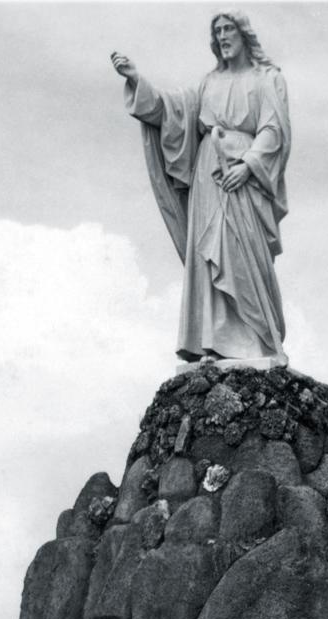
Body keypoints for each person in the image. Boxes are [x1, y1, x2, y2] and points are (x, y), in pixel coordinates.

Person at [111, 13, 290, 365]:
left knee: (241, 252)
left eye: (228, 29)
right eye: (217, 31)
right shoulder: (208, 84)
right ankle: (216, 341)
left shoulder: (267, 79)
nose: (223, 36)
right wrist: (136, 79)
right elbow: (171, 110)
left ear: (243, 34)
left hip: (243, 174)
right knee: (210, 253)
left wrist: (248, 166)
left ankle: (256, 341)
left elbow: (273, 130)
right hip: (210, 173)